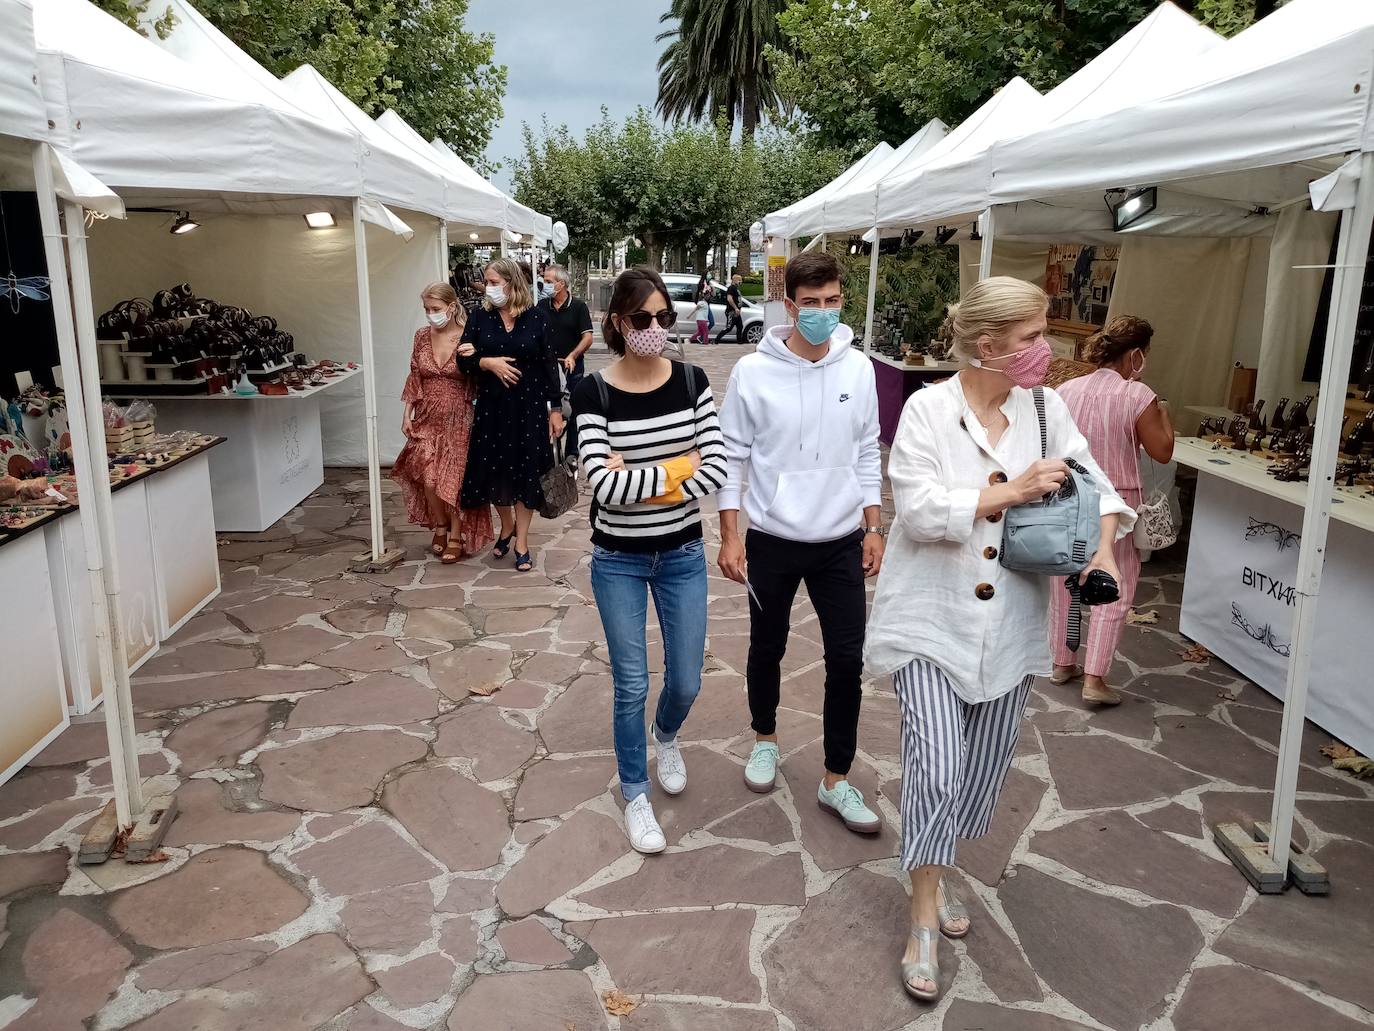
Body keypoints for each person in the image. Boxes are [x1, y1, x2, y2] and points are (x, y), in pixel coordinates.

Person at [863, 277, 1133, 1003]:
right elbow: (918, 511)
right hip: (928, 621)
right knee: (937, 769)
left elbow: (1100, 490)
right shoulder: (928, 409)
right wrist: (1012, 490)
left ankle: (935, 860)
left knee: (978, 782)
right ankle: (922, 908)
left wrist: (1102, 552)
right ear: (990, 346)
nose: (1047, 351)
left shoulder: (1045, 410)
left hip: (1010, 629)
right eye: (1033, 338)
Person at [717, 252, 886, 835]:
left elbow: (869, 449)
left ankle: (836, 777)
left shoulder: (858, 369)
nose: (821, 313)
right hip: (772, 537)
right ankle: (764, 737)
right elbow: (732, 456)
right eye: (809, 303)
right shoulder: (752, 372)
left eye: (832, 301)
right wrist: (730, 534)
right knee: (768, 646)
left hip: (840, 539)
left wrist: (873, 524)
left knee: (847, 658)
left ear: (843, 299)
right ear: (788, 305)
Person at [572, 267, 727, 853]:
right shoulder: (594, 392)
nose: (656, 327)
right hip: (618, 559)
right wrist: (679, 468)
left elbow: (715, 468)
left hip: (683, 553)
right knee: (631, 683)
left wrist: (641, 474)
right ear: (617, 321)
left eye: (665, 317)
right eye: (642, 319)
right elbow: (601, 489)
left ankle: (667, 736)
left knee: (685, 680)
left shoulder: (692, 382)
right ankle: (635, 792)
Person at [1049, 315, 1174, 705]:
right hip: (1118, 501)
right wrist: (1165, 413)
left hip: (1069, 494)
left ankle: (1061, 661)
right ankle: (1095, 678)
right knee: (1114, 586)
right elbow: (1163, 450)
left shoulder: (1066, 389)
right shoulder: (1139, 396)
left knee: (1065, 579)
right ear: (1136, 354)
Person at [457, 258, 565, 572]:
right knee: (495, 472)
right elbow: (462, 360)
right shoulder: (479, 317)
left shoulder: (537, 318)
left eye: (493, 282)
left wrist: (555, 409)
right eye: (487, 282)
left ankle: (521, 540)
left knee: (526, 473)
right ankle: (506, 526)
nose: (488, 288)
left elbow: (549, 366)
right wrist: (487, 363)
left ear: (512, 283)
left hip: (529, 409)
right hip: (492, 408)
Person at [391, 284, 494, 562]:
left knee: (453, 478)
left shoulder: (467, 337)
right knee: (427, 476)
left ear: (451, 306)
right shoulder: (422, 336)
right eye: (426, 309)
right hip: (426, 414)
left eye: (435, 309)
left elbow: (479, 377)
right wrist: (406, 413)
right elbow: (415, 375)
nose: (430, 314)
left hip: (459, 415)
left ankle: (457, 533)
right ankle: (439, 524)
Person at [538, 264, 594, 457]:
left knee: (573, 409)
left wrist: (573, 355)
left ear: (561, 284)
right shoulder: (542, 306)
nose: (543, 285)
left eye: (548, 282)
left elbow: (587, 338)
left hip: (572, 367)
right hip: (548, 367)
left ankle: (572, 452)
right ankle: (551, 452)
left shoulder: (578, 307)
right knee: (551, 409)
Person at [714, 274, 745, 344]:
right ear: (735, 280)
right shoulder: (731, 288)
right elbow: (729, 299)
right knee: (729, 327)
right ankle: (716, 340)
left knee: (740, 326)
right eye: (739, 280)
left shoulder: (736, 289)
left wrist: (739, 309)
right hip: (731, 312)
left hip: (736, 312)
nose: (740, 282)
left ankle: (739, 341)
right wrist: (735, 308)